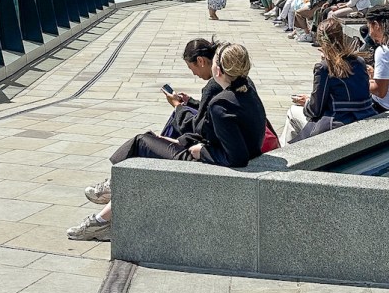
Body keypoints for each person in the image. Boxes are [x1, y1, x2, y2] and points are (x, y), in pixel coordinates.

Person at [68, 42, 268, 241]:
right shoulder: (245, 87)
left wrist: (201, 151)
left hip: (211, 163)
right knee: (152, 142)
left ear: (217, 69)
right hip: (227, 153)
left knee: (142, 142)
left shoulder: (220, 104)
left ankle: (107, 206)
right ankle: (103, 216)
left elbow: (237, 157)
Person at [282, 18, 377, 143]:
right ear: (341, 36)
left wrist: (307, 102)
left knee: (293, 112)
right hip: (365, 116)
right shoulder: (360, 62)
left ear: (321, 41)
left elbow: (315, 110)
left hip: (337, 123)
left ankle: (290, 155)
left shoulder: (324, 67)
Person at [161, 37, 222, 135]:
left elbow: (198, 127)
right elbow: (209, 110)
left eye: (191, 68)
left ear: (200, 61)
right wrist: (190, 102)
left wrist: (177, 106)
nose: (193, 73)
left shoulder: (214, 87)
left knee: (141, 141)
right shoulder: (231, 77)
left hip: (214, 145)